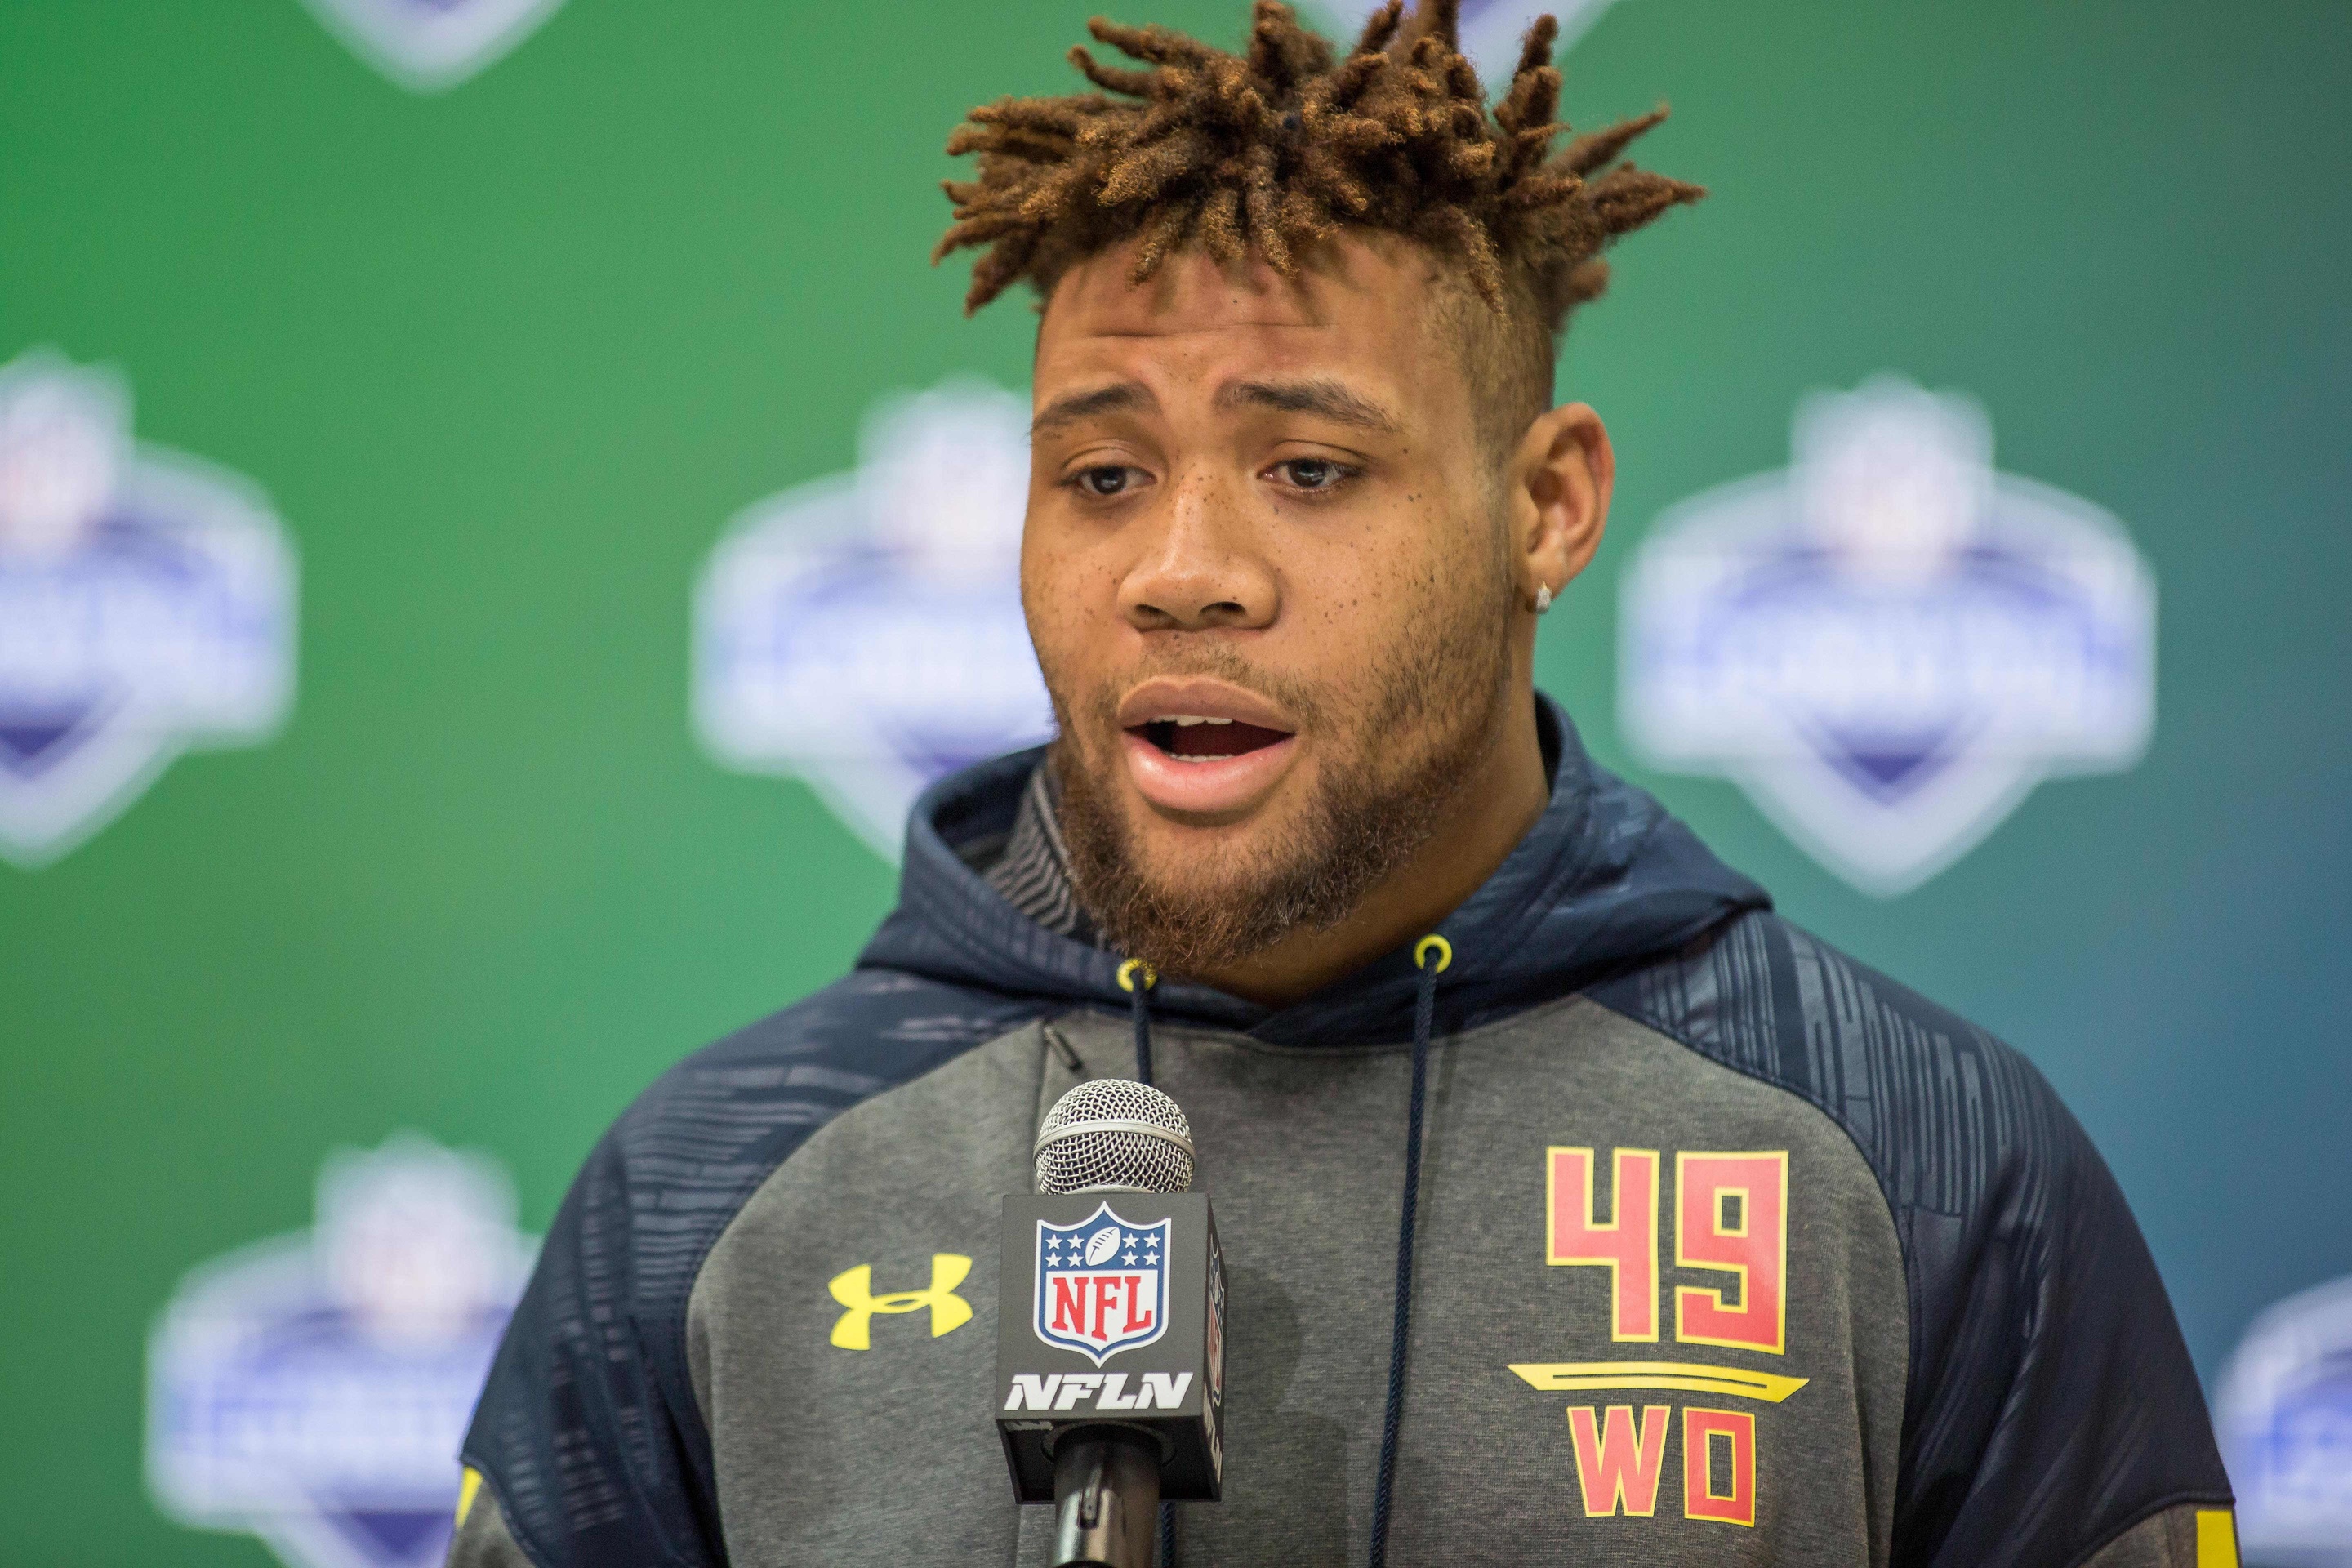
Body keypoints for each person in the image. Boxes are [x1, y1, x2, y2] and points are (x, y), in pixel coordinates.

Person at [448, 3, 2234, 1563]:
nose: (1182, 568)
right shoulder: (715, 1188)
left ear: (1547, 505)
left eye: (1306, 467)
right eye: (1101, 475)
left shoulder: (1924, 1165)